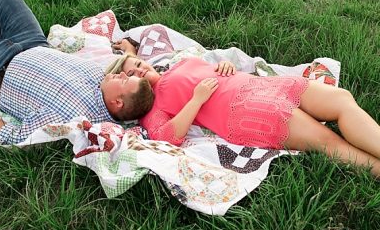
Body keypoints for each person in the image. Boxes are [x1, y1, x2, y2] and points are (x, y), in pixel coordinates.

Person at [106, 53, 380, 177]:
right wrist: (196, 100)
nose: (138, 71)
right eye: (130, 74)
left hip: (262, 85)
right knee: (329, 143)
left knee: (343, 100)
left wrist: (223, 65)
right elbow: (166, 136)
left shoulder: (181, 62)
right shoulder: (154, 108)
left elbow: (210, 66)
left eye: (139, 65)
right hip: (247, 110)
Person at [0, 0, 154, 145]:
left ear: (117, 102)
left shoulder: (73, 119)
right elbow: (129, 68)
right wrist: (130, 51)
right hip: (33, 43)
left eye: (125, 80)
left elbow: (17, 137)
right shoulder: (103, 81)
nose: (122, 74)